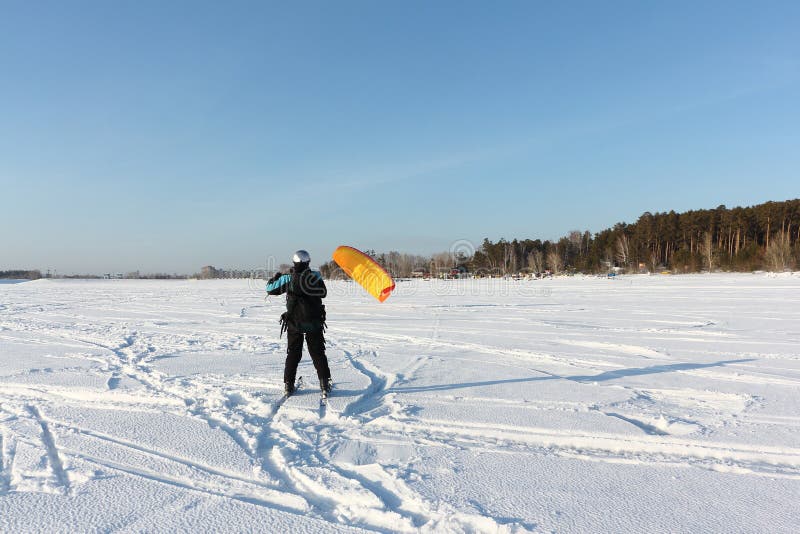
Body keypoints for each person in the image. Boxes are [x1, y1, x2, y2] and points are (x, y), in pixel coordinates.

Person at [266, 250, 331, 396]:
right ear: (308, 262)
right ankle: (324, 384)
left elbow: (270, 289)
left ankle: (288, 385)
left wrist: (275, 278)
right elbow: (323, 293)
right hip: (314, 322)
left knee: (293, 354)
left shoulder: (288, 278)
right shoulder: (315, 276)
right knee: (318, 353)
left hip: (294, 322)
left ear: (294, 262)